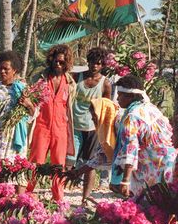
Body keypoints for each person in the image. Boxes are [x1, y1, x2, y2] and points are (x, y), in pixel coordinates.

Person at [111, 74, 177, 198]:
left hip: (154, 167)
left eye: (120, 95)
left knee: (151, 206)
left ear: (130, 96)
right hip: (170, 163)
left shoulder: (132, 117)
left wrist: (125, 180)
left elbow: (131, 149)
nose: (117, 99)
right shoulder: (151, 108)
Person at [29, 44, 76, 202]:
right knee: (36, 162)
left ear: (66, 63)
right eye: (56, 61)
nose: (58, 64)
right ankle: (27, 194)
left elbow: (69, 107)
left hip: (60, 128)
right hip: (42, 125)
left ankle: (58, 197)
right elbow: (31, 100)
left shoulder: (70, 83)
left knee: (58, 164)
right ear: (51, 60)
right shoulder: (40, 79)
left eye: (62, 62)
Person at [0, 51, 35, 169]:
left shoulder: (23, 89)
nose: (2, 71)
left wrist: (28, 104)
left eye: (6, 69)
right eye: (0, 68)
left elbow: (32, 115)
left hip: (13, 137)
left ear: (14, 70)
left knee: (14, 170)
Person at [71, 47, 112, 202]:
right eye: (93, 62)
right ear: (88, 62)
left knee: (90, 163)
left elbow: (107, 107)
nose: (95, 66)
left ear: (102, 66)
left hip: (93, 128)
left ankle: (85, 198)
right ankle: (60, 192)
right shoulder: (77, 78)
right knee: (69, 160)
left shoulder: (105, 83)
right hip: (74, 124)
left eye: (99, 63)